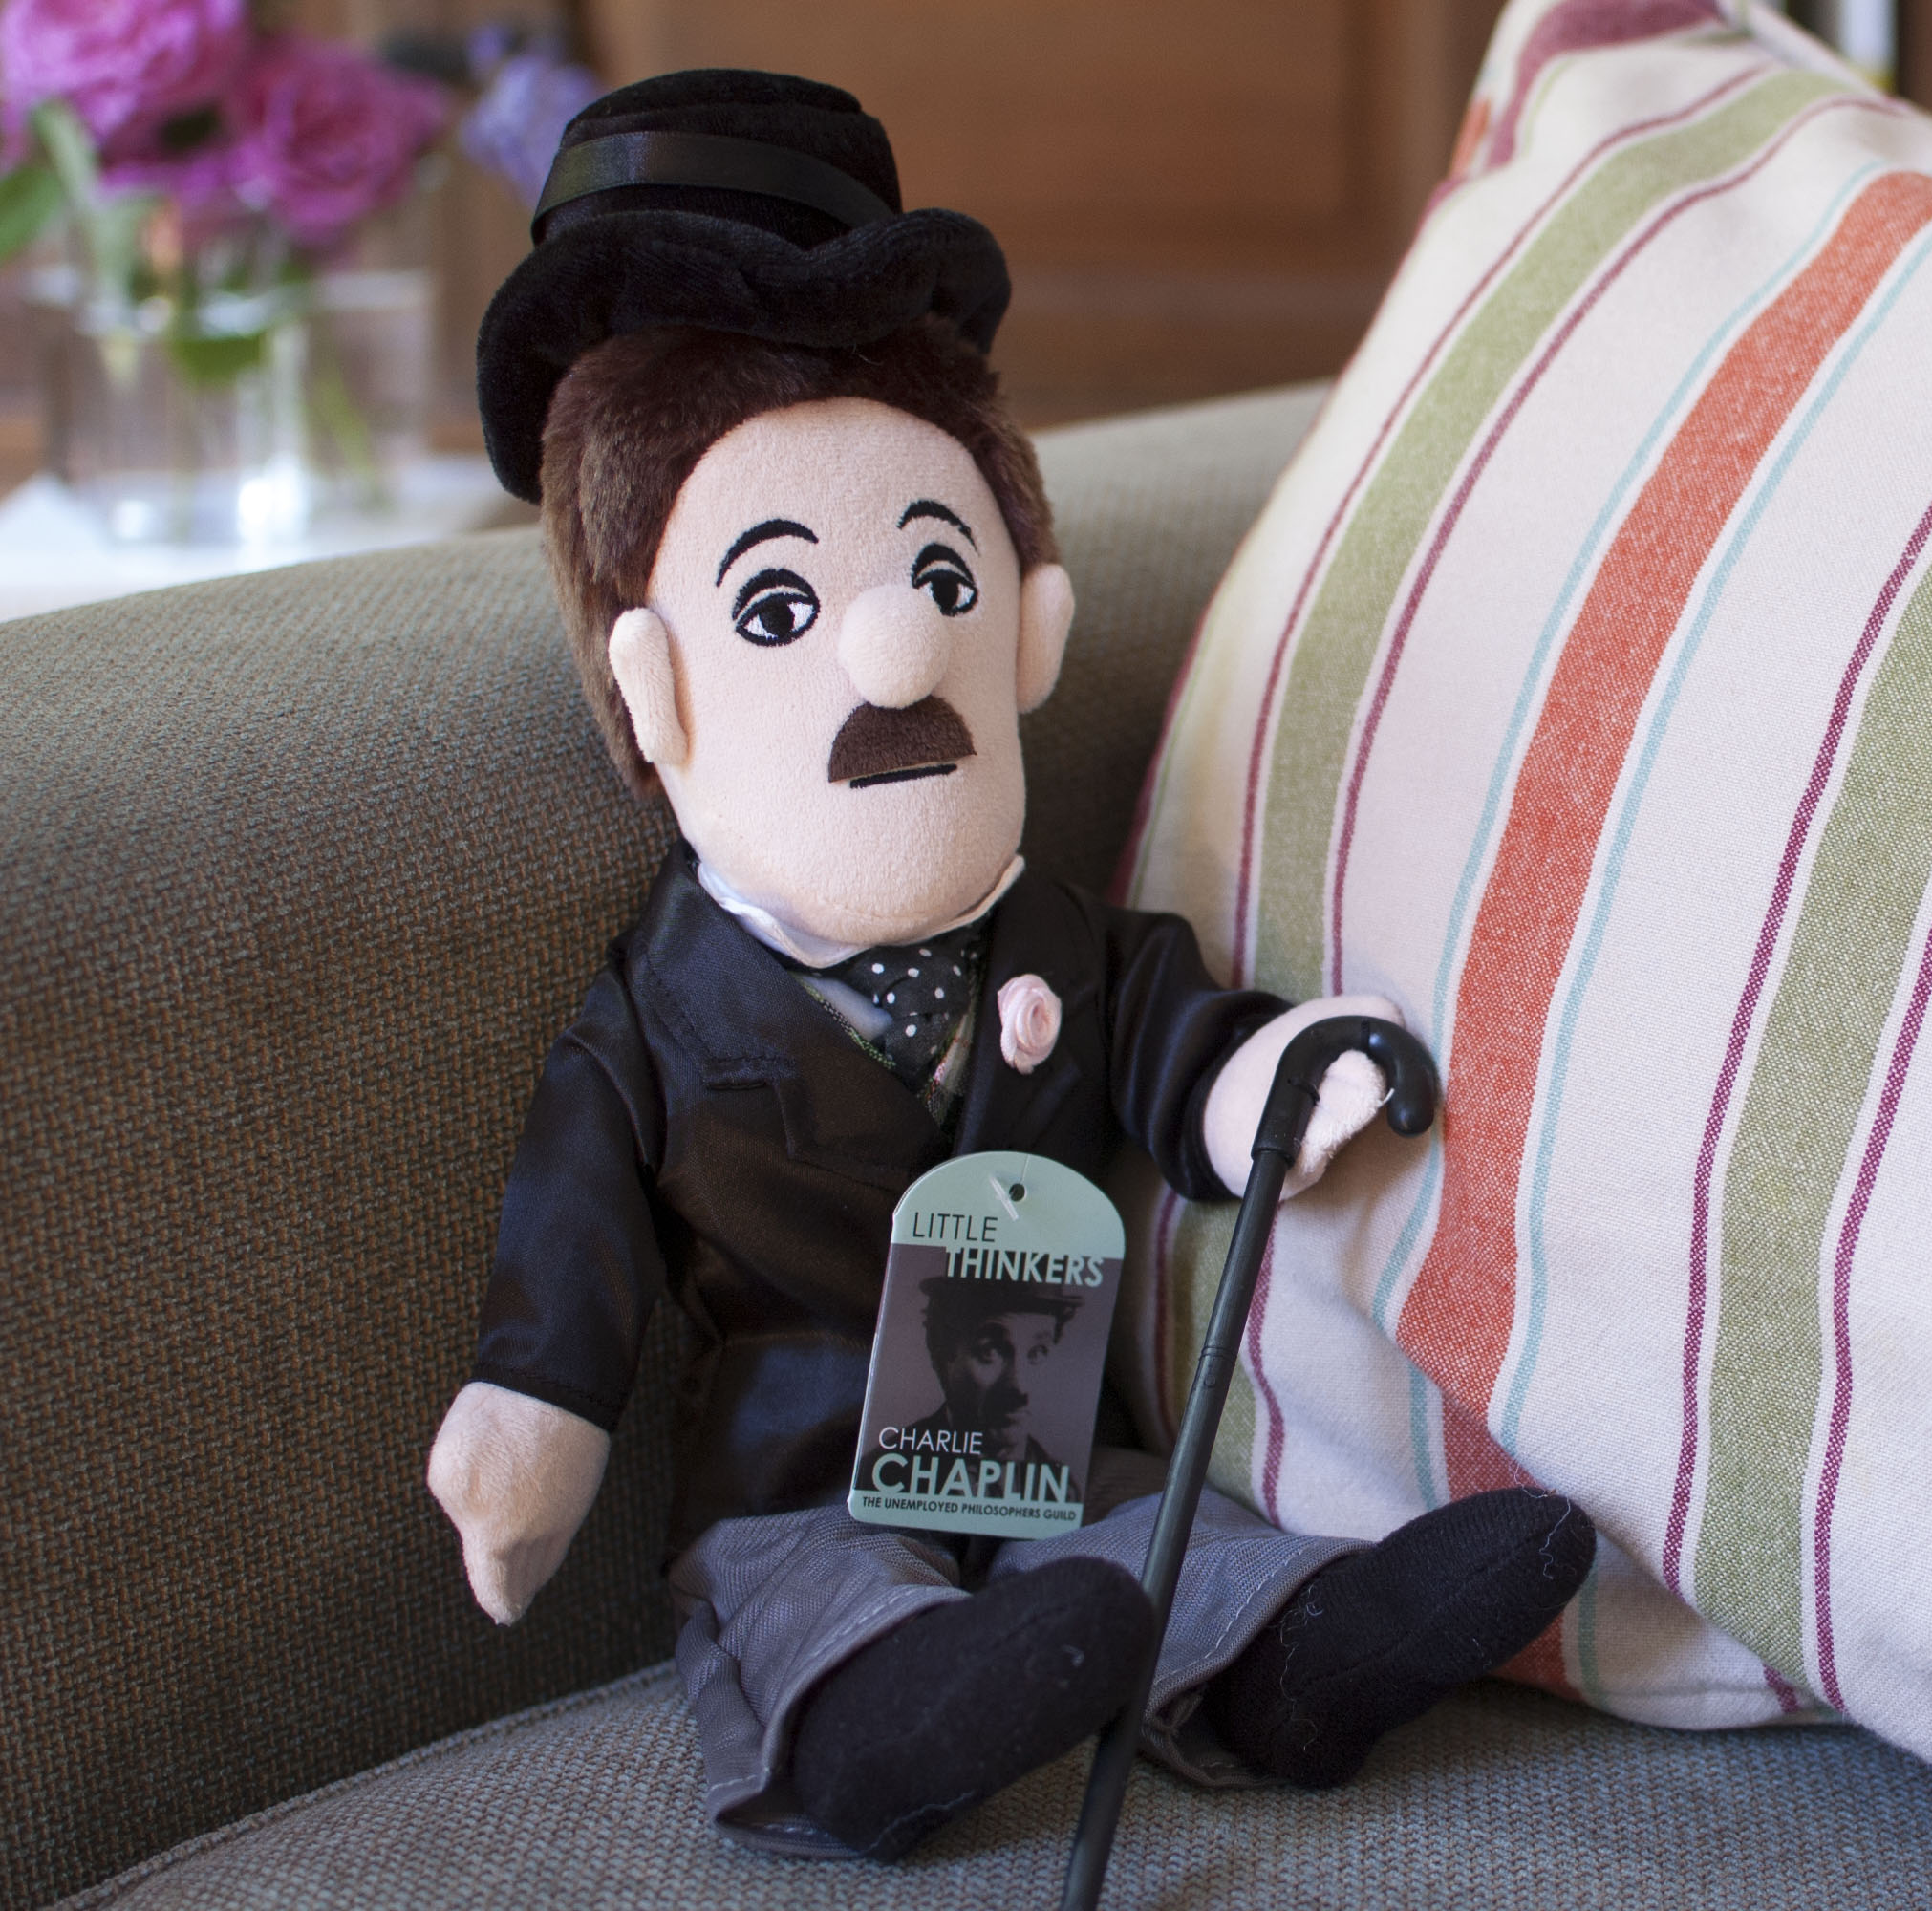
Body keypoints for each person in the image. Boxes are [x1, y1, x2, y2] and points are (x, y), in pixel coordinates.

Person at [419, 69, 1597, 1863]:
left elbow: (1177, 1041)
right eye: (780, 608)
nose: (898, 647)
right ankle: (891, 1723)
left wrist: (1269, 1081)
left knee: (1154, 1545)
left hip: (1047, 1442)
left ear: (1027, 627)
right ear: (660, 688)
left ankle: (1299, 1658)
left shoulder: (1059, 936)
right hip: (797, 1477)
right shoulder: (655, 1016)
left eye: (942, 581)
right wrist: (533, 1419)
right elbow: (570, 1250)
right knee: (821, 1595)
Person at [902, 1275, 1080, 1470]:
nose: (1020, 1388)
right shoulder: (890, 1470)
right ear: (942, 1352)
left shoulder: (1059, 1482)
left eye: (1037, 1352)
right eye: (990, 1351)